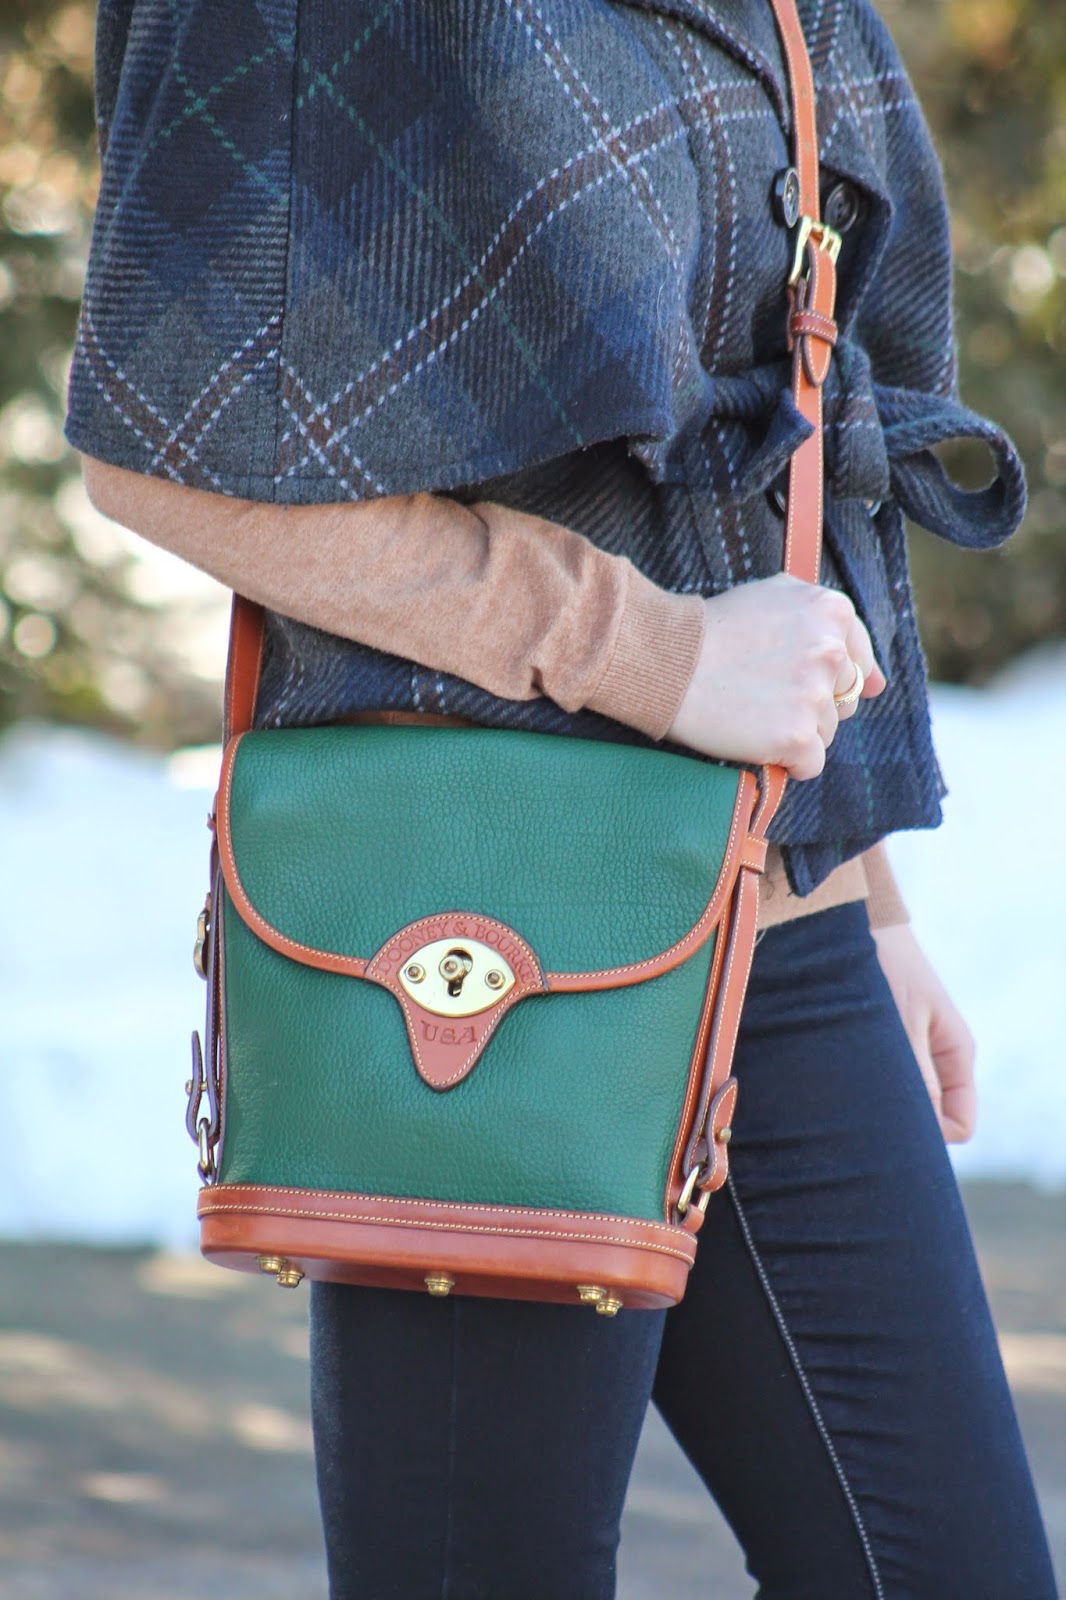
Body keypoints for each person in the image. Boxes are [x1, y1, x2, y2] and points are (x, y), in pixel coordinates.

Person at [67, 1, 1057, 1595]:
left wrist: (860, 887)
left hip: (768, 917)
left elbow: (799, 441)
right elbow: (171, 450)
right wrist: (654, 654)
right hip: (476, 938)